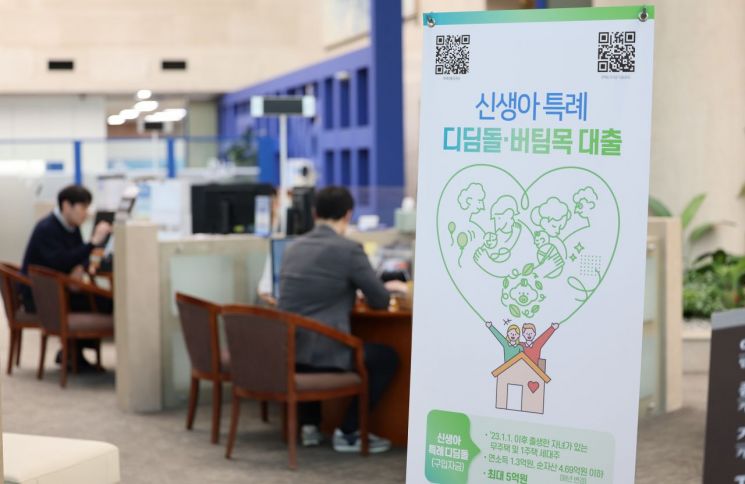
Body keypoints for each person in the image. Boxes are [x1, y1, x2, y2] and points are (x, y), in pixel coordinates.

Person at [278, 186, 406, 454]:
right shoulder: (348, 249)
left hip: (288, 349)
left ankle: (310, 426)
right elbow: (380, 300)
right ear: (348, 215)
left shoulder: (293, 248)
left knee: (309, 338)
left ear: (315, 213)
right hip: (324, 352)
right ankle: (349, 432)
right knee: (386, 357)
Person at [20, 184, 112, 366]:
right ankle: (73, 354)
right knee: (100, 302)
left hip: (59, 288)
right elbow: (61, 261)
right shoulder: (47, 228)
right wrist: (93, 242)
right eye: (83, 207)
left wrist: (80, 266)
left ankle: (72, 353)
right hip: (40, 295)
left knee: (102, 300)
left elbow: (78, 257)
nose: (86, 213)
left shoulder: (71, 227)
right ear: (66, 206)